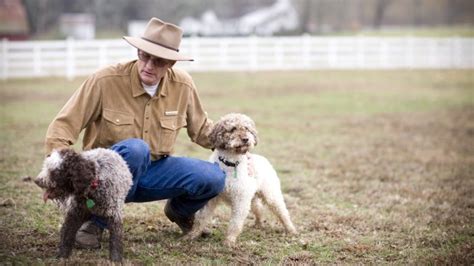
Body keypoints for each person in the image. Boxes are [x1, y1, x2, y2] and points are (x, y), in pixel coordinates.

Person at [44, 17, 226, 249]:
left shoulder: (184, 85)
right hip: (103, 176)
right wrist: (56, 173)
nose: (149, 65)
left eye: (159, 60)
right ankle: (92, 223)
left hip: (154, 171)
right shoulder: (105, 80)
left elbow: (202, 130)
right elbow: (63, 126)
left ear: (171, 63)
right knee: (136, 149)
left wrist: (239, 148)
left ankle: (179, 212)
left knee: (214, 177)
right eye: (144, 55)